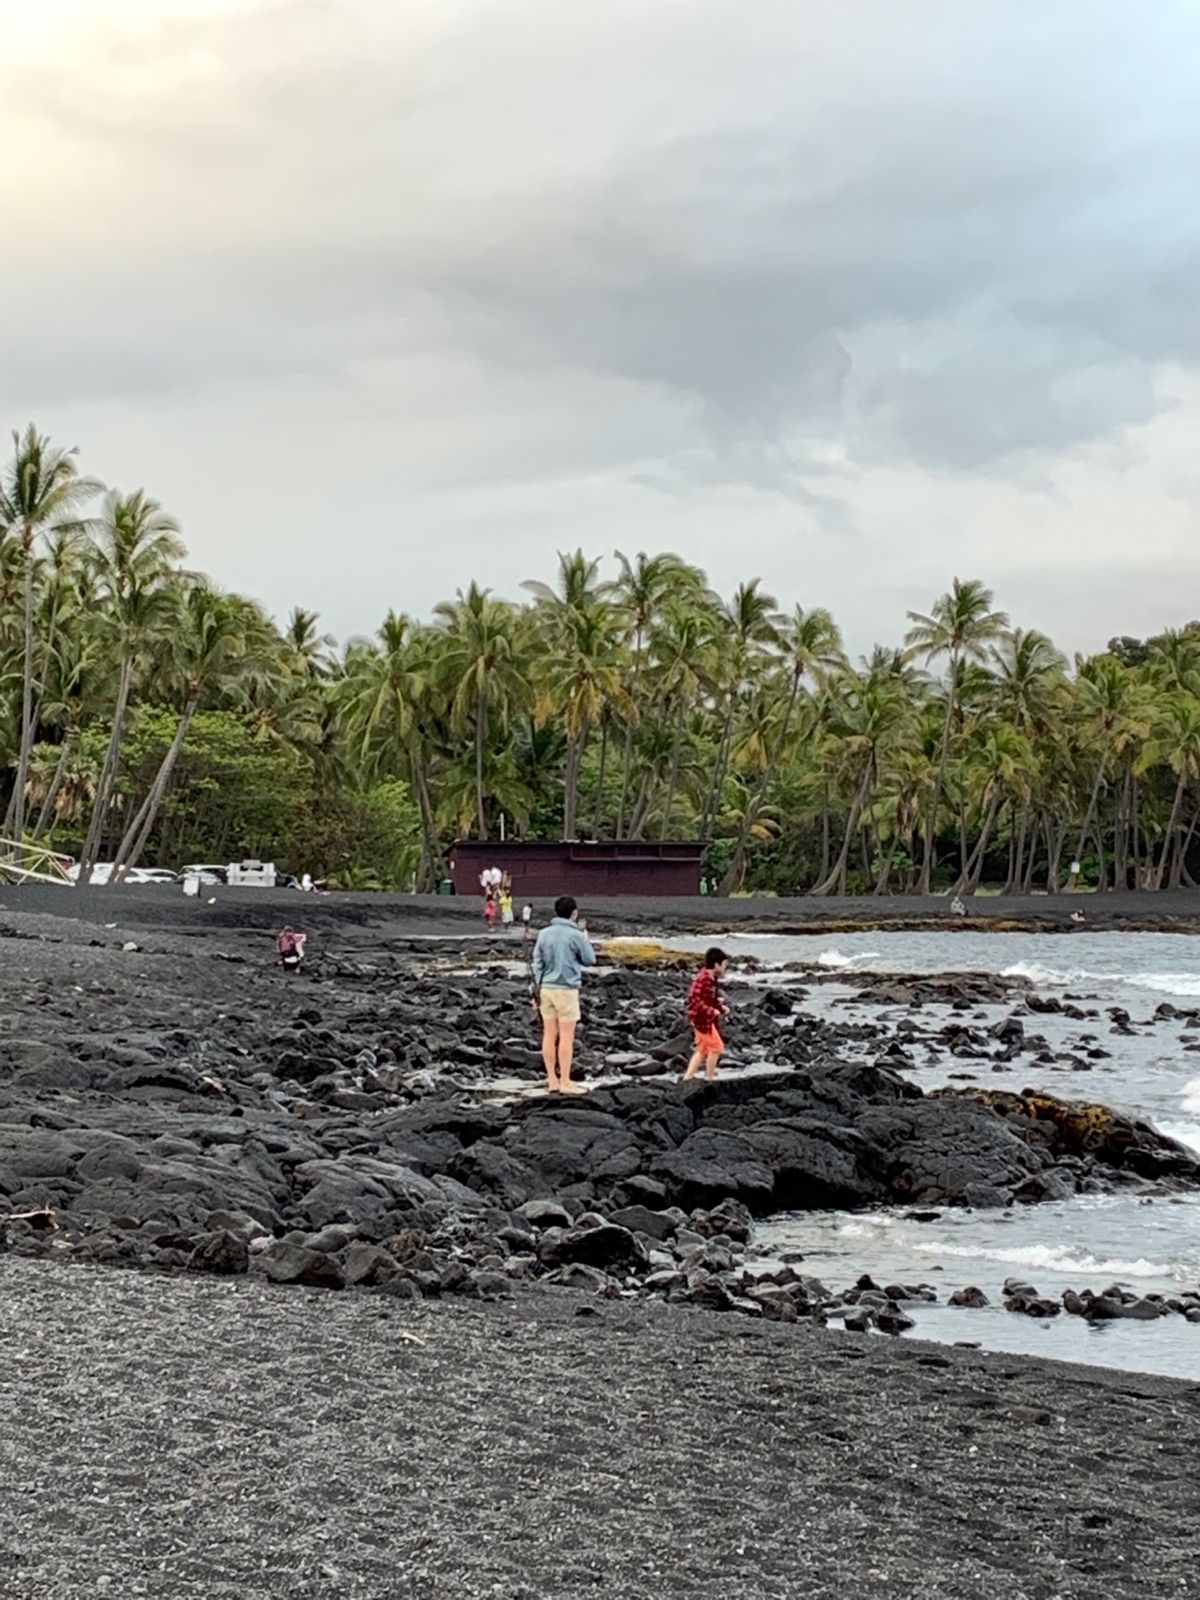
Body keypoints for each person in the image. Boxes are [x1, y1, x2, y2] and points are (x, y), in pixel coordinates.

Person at [531, 895, 596, 1094]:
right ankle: (565, 1081)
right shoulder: (575, 935)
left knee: (549, 1035)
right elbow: (589, 959)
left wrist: (534, 992)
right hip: (566, 990)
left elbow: (536, 964)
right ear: (574, 913)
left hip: (546, 988)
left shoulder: (544, 934)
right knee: (566, 1036)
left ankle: (552, 1080)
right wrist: (585, 940)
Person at [684, 947, 729, 1082]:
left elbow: (712, 1000)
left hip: (706, 1019)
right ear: (716, 964)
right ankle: (709, 1078)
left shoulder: (712, 979)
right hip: (701, 1019)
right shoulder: (703, 978)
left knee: (703, 1050)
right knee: (716, 1047)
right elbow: (694, 999)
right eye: (724, 965)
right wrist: (710, 1011)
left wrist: (721, 1008)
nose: (725, 969)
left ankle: (688, 1077)